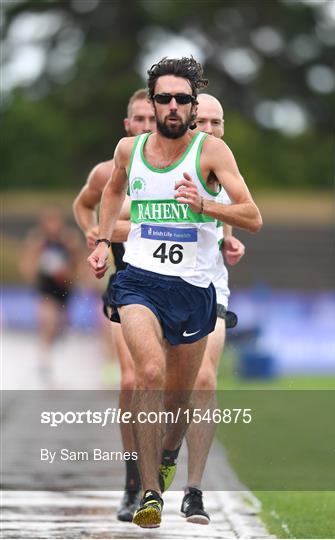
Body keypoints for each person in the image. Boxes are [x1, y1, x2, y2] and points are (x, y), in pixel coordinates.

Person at [88, 56, 262, 529]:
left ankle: (168, 456)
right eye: (162, 97)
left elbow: (252, 214)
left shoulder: (211, 153)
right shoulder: (129, 149)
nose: (171, 106)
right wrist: (104, 239)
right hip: (139, 280)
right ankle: (148, 492)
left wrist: (204, 205)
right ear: (152, 99)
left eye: (181, 99)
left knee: (182, 395)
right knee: (147, 372)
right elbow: (109, 191)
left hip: (194, 287)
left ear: (192, 104)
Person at [73, 89, 155, 522]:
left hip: (172, 287)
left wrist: (115, 230)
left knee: (169, 384)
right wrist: (94, 234)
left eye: (151, 119)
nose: (145, 126)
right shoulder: (109, 171)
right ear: (127, 126)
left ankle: (161, 466)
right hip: (126, 287)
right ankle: (132, 484)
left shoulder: (176, 168)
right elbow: (84, 203)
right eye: (138, 120)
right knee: (130, 379)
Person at [179, 93, 245, 524]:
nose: (209, 130)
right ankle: (162, 456)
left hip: (209, 286)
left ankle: (194, 490)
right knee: (164, 388)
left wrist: (227, 236)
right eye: (200, 121)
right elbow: (126, 212)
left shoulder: (221, 158)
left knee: (204, 378)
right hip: (157, 286)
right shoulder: (157, 157)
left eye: (216, 123)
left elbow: (237, 206)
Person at [20, 206, 81, 384]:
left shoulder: (69, 240)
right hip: (46, 290)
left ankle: (55, 338)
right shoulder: (38, 240)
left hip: (64, 290)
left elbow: (78, 264)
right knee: (48, 321)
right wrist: (33, 274)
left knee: (59, 325)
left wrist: (69, 274)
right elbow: (28, 263)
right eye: (49, 222)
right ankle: (44, 361)